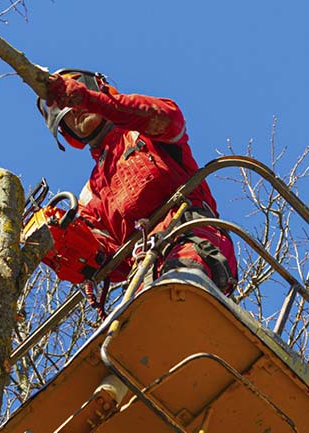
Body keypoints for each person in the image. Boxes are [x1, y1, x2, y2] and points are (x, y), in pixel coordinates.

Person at [37, 68, 237, 295]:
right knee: (137, 317)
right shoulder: (91, 194)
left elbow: (167, 117)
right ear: (66, 131)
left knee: (174, 289)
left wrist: (92, 101)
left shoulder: (142, 133)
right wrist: (59, 239)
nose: (74, 110)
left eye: (73, 100)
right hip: (144, 273)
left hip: (193, 242)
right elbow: (109, 260)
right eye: (66, 112)